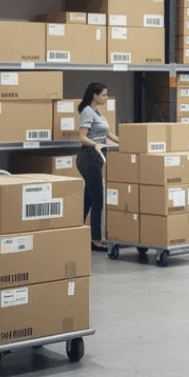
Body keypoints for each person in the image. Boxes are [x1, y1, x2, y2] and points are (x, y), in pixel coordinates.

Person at [78, 82, 119, 252]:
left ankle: (73, 231)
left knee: (88, 200)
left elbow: (108, 134)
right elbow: (82, 137)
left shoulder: (98, 113)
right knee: (97, 200)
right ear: (95, 96)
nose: (106, 97)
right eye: (103, 95)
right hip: (89, 157)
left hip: (97, 157)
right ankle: (96, 240)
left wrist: (129, 142)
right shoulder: (87, 111)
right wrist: (96, 144)